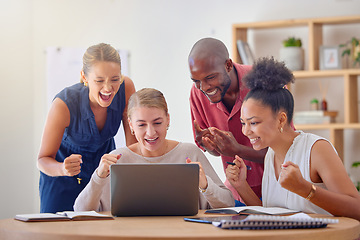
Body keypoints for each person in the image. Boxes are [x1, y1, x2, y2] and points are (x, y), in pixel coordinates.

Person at [226, 57, 360, 220]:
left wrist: (304, 188)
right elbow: (274, 215)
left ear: (281, 119)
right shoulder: (271, 155)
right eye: (243, 123)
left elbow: (356, 209)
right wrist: (241, 186)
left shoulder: (316, 149)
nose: (246, 131)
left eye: (253, 122)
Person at [74, 88, 234, 211]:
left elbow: (228, 204)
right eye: (141, 125)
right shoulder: (116, 159)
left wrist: (206, 185)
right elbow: (80, 210)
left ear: (167, 120)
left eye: (157, 123)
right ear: (131, 125)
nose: (150, 133)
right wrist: (99, 177)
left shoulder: (189, 153)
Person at [37, 43, 137, 213]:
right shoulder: (63, 105)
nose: (108, 88)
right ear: (84, 77)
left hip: (102, 175)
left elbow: (134, 145)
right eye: (99, 81)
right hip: (63, 178)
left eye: (115, 79)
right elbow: (42, 160)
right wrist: (62, 168)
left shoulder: (126, 87)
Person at [188, 37, 265, 203]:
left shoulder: (265, 83)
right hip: (237, 193)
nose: (204, 88)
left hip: (277, 189)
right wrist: (210, 146)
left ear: (228, 65)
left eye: (210, 77)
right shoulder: (197, 93)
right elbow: (217, 152)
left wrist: (237, 149)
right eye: (196, 81)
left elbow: (287, 151)